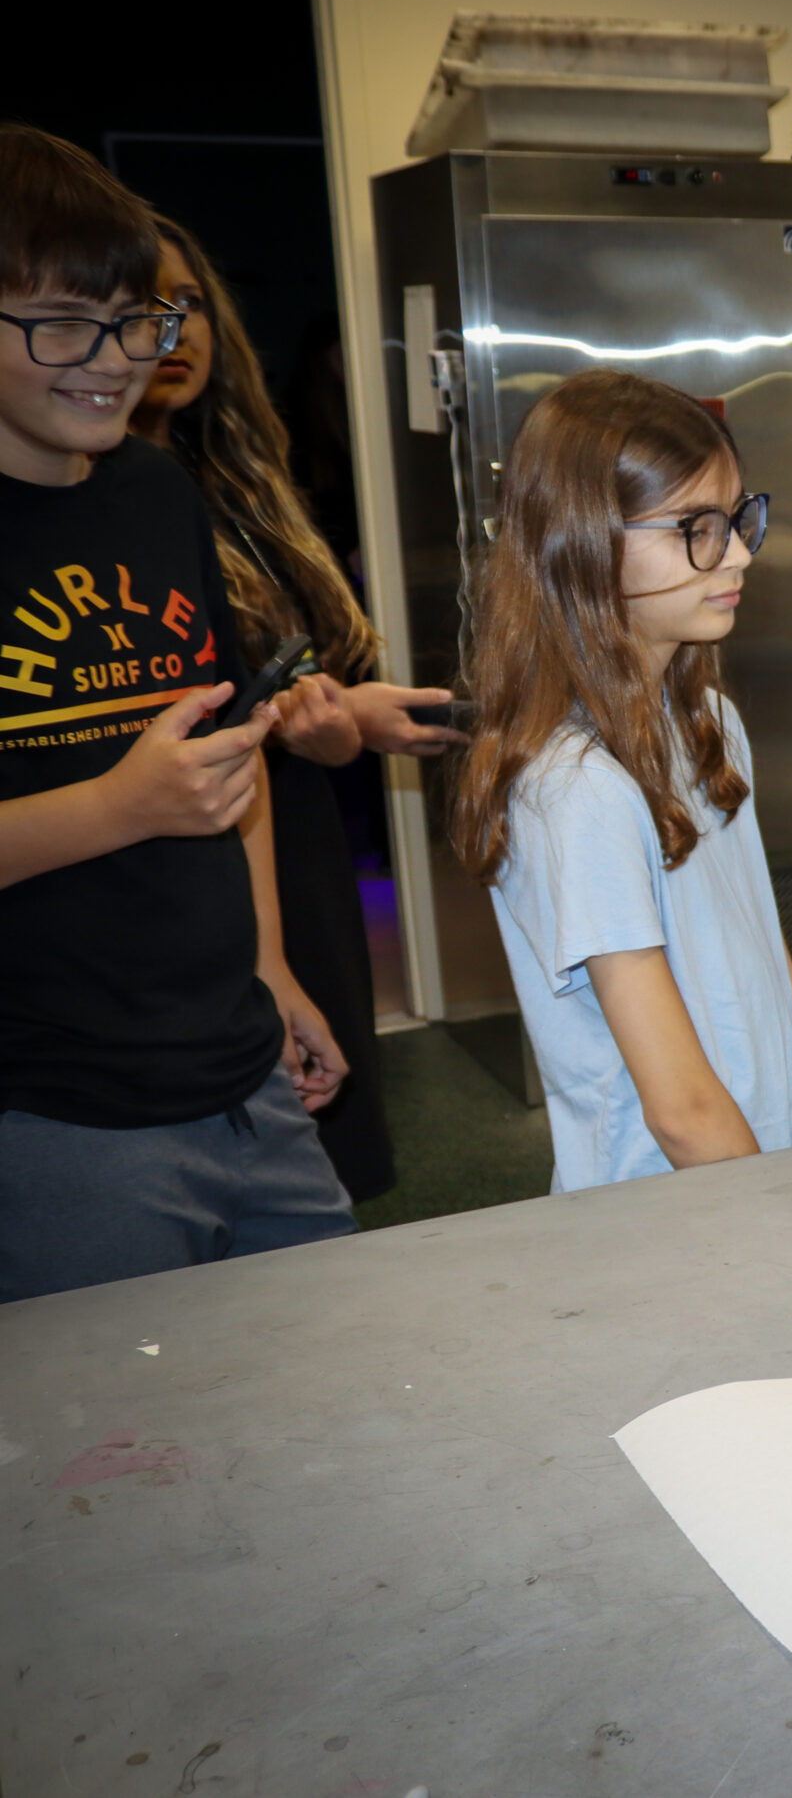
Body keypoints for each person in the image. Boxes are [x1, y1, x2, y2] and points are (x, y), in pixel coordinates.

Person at [0, 125, 353, 1302]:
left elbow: (228, 749)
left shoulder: (156, 490)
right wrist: (116, 807)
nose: (113, 360)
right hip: (61, 1114)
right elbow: (157, 793)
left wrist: (270, 967)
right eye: (61, 324)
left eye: (133, 320)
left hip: (242, 1068)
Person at [127, 214, 469, 1201]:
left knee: (325, 1144)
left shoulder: (238, 479)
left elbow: (272, 674)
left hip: (296, 838)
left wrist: (350, 710)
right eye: (144, 307)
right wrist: (307, 724)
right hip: (183, 853)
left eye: (191, 304)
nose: (174, 331)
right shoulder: (95, 506)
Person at [451, 371, 792, 1194]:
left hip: (769, 1178)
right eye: (697, 528)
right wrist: (790, 1219)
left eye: (736, 518)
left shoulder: (709, 725)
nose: (738, 553)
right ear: (586, 543)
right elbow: (681, 1112)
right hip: (674, 1211)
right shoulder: (575, 789)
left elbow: (774, 966)